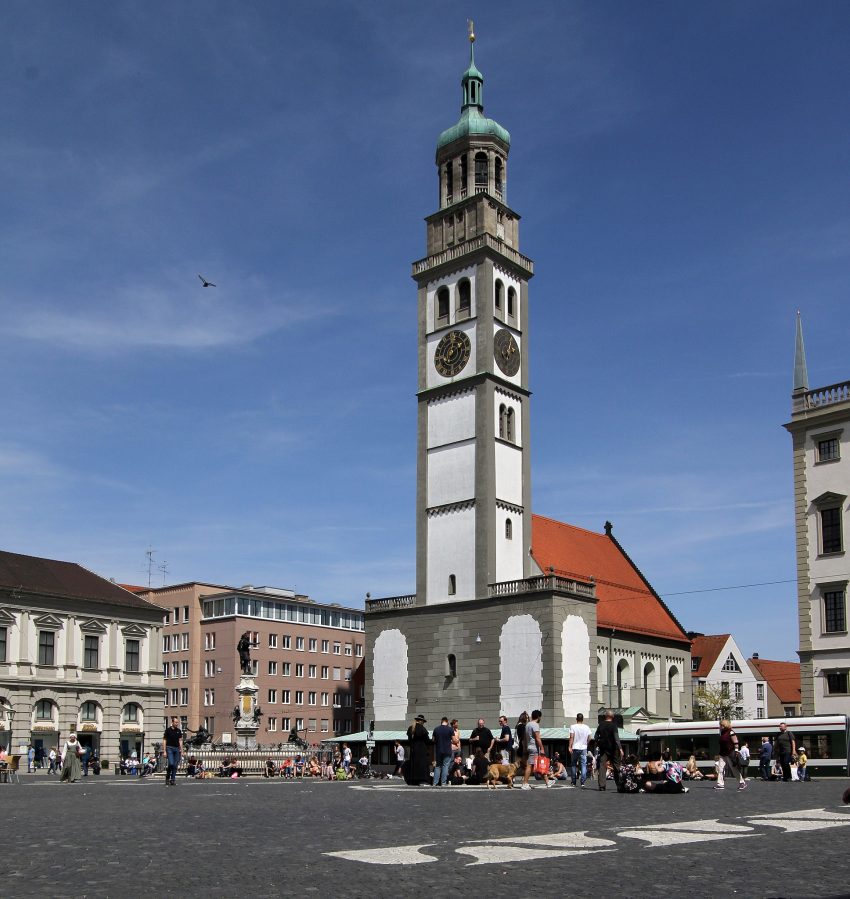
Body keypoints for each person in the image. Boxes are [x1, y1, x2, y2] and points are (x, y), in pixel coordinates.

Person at [521, 709, 552, 789]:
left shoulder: (527, 725)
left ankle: (547, 782)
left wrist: (525, 748)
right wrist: (542, 748)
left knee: (539, 765)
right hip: (534, 747)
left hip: (529, 746)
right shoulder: (535, 725)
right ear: (539, 717)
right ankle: (525, 783)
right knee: (530, 765)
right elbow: (538, 738)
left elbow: (524, 738)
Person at [593, 709, 622, 791]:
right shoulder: (613, 725)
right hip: (614, 749)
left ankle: (602, 786)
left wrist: (597, 744)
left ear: (606, 716)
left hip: (603, 749)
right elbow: (616, 738)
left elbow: (595, 736)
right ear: (612, 716)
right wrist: (620, 748)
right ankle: (619, 785)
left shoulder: (600, 725)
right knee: (616, 767)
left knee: (602, 766)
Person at [716, 719, 746, 791]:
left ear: (724, 725)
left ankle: (742, 782)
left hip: (730, 753)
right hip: (722, 753)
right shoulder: (722, 732)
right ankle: (720, 784)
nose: (720, 726)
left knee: (733, 769)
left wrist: (736, 751)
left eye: (721, 725)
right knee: (720, 768)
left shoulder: (731, 732)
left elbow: (736, 742)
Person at [405, 714, 431, 785]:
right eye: (423, 721)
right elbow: (427, 740)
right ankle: (422, 780)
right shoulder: (422, 728)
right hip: (421, 750)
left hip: (413, 750)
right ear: (421, 721)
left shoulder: (410, 728)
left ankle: (413, 780)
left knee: (413, 765)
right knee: (422, 765)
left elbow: (409, 740)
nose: (423, 723)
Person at [568, 712, 591, 787]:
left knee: (574, 764)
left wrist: (570, 746)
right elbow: (590, 738)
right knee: (583, 764)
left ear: (576, 719)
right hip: (584, 748)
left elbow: (571, 737)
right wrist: (586, 743)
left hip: (575, 747)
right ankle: (583, 782)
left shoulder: (573, 726)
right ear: (583, 719)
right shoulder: (587, 727)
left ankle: (574, 782)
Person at [431, 716, 454, 787]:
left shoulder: (436, 729)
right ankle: (443, 783)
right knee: (445, 766)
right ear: (447, 722)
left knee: (438, 766)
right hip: (447, 751)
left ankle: (435, 783)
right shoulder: (450, 729)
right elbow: (454, 740)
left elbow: (433, 740)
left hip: (439, 750)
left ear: (441, 721)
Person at [163, 716, 183, 787]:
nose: (177, 723)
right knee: (171, 764)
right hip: (169, 748)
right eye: (176, 722)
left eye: (177, 722)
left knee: (175, 765)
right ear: (172, 722)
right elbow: (164, 740)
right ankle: (168, 776)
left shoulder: (179, 731)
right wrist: (164, 751)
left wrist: (182, 750)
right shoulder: (168, 730)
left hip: (177, 749)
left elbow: (180, 740)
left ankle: (173, 779)